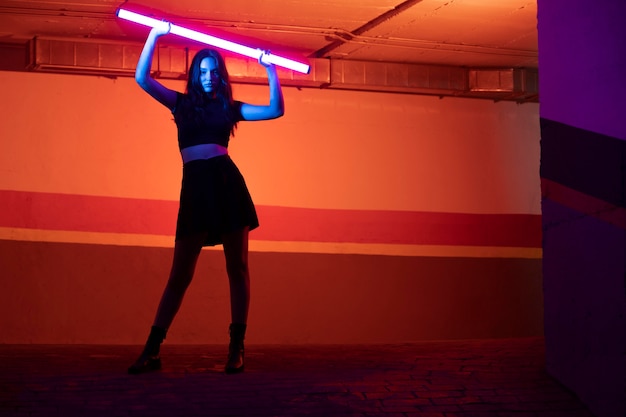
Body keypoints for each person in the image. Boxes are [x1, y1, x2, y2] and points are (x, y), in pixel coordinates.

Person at [128, 21, 284, 375]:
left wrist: (270, 68)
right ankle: (152, 350)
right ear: (195, 75)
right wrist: (154, 34)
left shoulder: (229, 109)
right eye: (203, 70)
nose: (209, 75)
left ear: (221, 76)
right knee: (180, 274)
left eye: (214, 71)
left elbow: (275, 109)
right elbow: (142, 79)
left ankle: (236, 349)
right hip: (196, 188)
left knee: (238, 267)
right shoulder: (181, 104)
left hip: (227, 184)